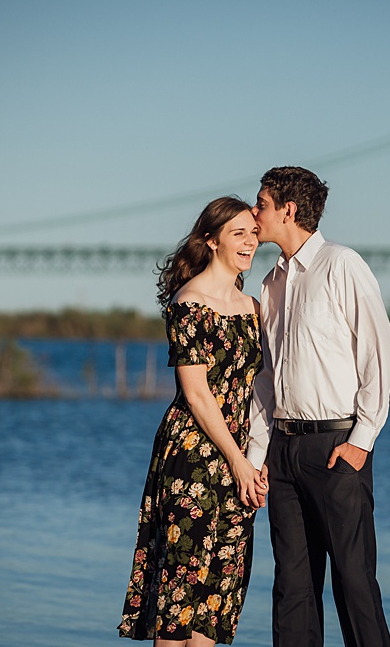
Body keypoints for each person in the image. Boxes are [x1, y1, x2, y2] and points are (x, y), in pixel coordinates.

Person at [246, 166, 390, 647]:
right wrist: (256, 457)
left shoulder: (342, 265)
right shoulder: (269, 284)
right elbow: (266, 381)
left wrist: (361, 441)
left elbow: (378, 356)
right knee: (291, 589)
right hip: (283, 455)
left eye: (262, 203)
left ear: (288, 210)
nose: (255, 212)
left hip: (336, 448)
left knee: (354, 586)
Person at [119, 196, 270, 646]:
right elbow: (197, 395)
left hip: (240, 458)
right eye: (237, 233)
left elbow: (261, 392)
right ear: (211, 240)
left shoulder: (254, 308)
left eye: (253, 232)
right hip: (193, 456)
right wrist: (239, 462)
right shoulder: (189, 303)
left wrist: (255, 460)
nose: (249, 241)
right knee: (180, 595)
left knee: (217, 596)